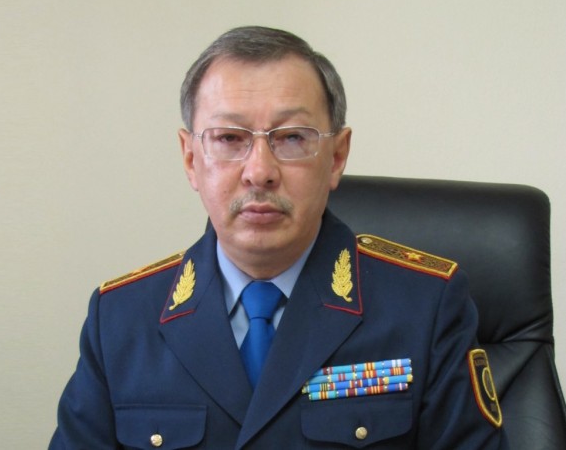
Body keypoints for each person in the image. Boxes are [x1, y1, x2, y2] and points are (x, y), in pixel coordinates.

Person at [49, 26, 508, 449]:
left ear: (336, 157)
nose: (260, 171)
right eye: (229, 138)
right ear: (191, 159)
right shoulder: (120, 319)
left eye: (291, 138)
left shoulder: (425, 306)